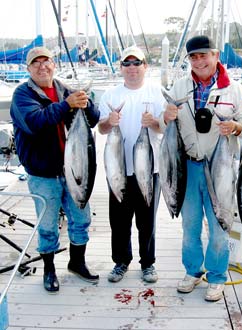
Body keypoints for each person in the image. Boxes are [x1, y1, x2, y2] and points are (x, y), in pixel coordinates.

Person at [160, 35, 242, 302]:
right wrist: (165, 116)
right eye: (194, 57)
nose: (199, 61)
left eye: (204, 55)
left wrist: (235, 127)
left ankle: (216, 276)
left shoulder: (234, 90)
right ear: (189, 59)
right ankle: (192, 271)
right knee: (189, 224)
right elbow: (162, 122)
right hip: (188, 166)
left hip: (220, 167)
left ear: (216, 55)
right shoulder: (179, 87)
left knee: (219, 224)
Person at [10, 46, 100, 293]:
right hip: (43, 174)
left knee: (81, 219)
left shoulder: (64, 90)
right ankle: (49, 269)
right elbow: (34, 122)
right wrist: (66, 105)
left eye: (46, 61)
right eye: (35, 63)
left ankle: (77, 262)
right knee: (48, 225)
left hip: (74, 168)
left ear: (53, 64)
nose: (42, 66)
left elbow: (94, 118)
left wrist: (86, 102)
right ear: (28, 69)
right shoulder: (22, 95)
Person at [98, 46, 164, 284]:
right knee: (119, 221)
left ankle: (148, 264)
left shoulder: (157, 92)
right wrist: (109, 121)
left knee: (147, 221)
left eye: (138, 63)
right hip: (118, 169)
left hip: (149, 168)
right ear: (121, 68)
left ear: (145, 66)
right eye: (127, 63)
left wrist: (154, 122)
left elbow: (164, 127)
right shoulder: (110, 95)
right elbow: (102, 128)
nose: (132, 68)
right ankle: (121, 262)